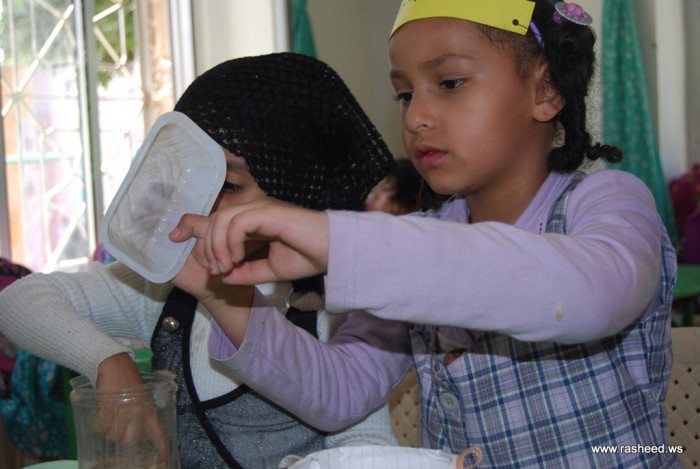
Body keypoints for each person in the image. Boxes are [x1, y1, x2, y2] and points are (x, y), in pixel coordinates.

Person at [169, 1, 680, 467]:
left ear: (545, 90)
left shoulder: (607, 202)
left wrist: (339, 240)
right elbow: (340, 390)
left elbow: (592, 295)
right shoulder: (416, 241)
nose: (415, 117)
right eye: (405, 94)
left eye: (450, 83)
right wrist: (227, 296)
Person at [0, 52, 411, 468]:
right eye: (193, 176)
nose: (200, 203)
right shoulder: (167, 287)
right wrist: (107, 360)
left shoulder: (340, 313)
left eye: (229, 185)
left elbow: (368, 446)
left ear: (300, 192)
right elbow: (18, 301)